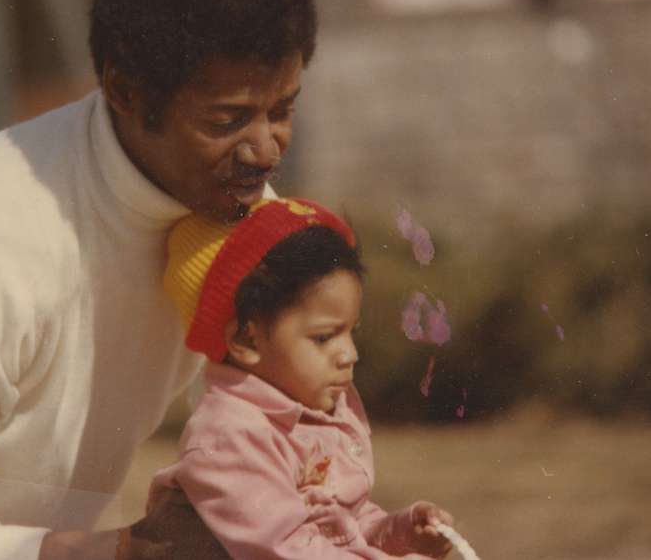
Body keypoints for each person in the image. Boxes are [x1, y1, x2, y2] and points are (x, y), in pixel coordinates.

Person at [0, 0, 316, 559]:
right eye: (227, 120)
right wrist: (127, 551)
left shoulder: (242, 219)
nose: (264, 151)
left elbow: (297, 446)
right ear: (124, 91)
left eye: (282, 111)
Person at [155, 197, 455, 559]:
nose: (350, 355)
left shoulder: (315, 416)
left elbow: (342, 526)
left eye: (351, 333)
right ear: (246, 340)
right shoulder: (230, 438)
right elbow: (288, 550)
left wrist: (402, 534)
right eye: (324, 338)